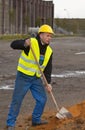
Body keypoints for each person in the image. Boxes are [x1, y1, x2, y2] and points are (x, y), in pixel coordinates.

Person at [6, 24, 54, 130]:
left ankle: (36, 120)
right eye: (47, 35)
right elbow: (13, 44)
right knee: (17, 100)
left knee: (42, 99)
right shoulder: (31, 42)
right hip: (23, 77)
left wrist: (48, 83)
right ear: (41, 35)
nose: (49, 38)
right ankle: (10, 124)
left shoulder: (49, 51)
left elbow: (47, 68)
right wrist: (24, 43)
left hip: (35, 78)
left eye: (51, 36)